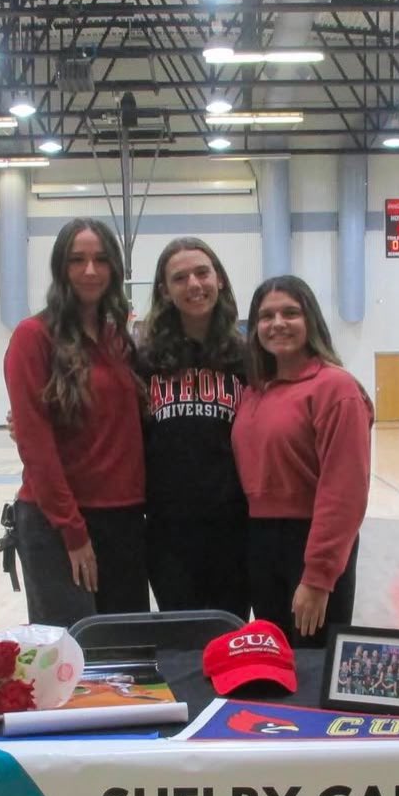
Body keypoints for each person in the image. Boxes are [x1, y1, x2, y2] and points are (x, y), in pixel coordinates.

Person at [4, 218, 149, 626]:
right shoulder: (33, 337)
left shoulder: (118, 339)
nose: (90, 270)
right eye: (77, 260)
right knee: (74, 660)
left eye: (101, 260)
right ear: (60, 268)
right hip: (59, 524)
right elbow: (36, 445)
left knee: (128, 661)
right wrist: (73, 532)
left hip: (123, 523)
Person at [232, 275, 373, 648]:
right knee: (276, 661)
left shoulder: (336, 389)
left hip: (312, 542)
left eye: (290, 313)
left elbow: (345, 491)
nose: (277, 323)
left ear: (310, 320)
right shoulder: (253, 392)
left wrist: (318, 576)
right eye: (266, 316)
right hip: (261, 542)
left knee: (313, 664)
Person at [138, 237, 250, 619]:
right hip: (168, 532)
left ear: (219, 279)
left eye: (202, 272)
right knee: (181, 638)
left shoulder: (247, 357)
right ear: (165, 292)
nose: (194, 284)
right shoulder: (145, 360)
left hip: (236, 529)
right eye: (180, 277)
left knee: (228, 633)